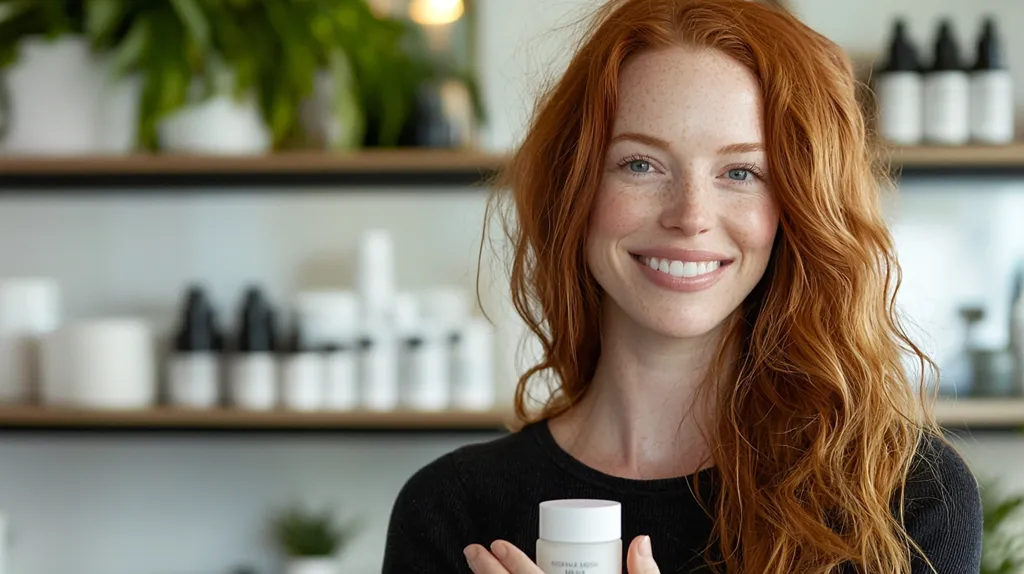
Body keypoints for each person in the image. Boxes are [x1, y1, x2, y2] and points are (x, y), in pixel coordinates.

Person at [382, 0, 983, 572]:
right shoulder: (448, 511)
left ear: (794, 208)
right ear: (576, 190)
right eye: (640, 164)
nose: (690, 215)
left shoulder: (906, 499)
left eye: (741, 171)